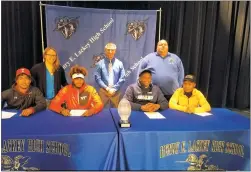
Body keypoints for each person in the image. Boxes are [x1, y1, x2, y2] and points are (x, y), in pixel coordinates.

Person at [94, 43, 125, 108]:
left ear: (115, 51)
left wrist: (114, 89)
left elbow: (122, 78)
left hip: (116, 92)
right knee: (101, 110)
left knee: (116, 112)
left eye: (112, 50)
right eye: (108, 50)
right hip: (103, 91)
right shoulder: (100, 63)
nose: (110, 52)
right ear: (105, 50)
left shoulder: (119, 63)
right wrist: (107, 88)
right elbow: (97, 78)